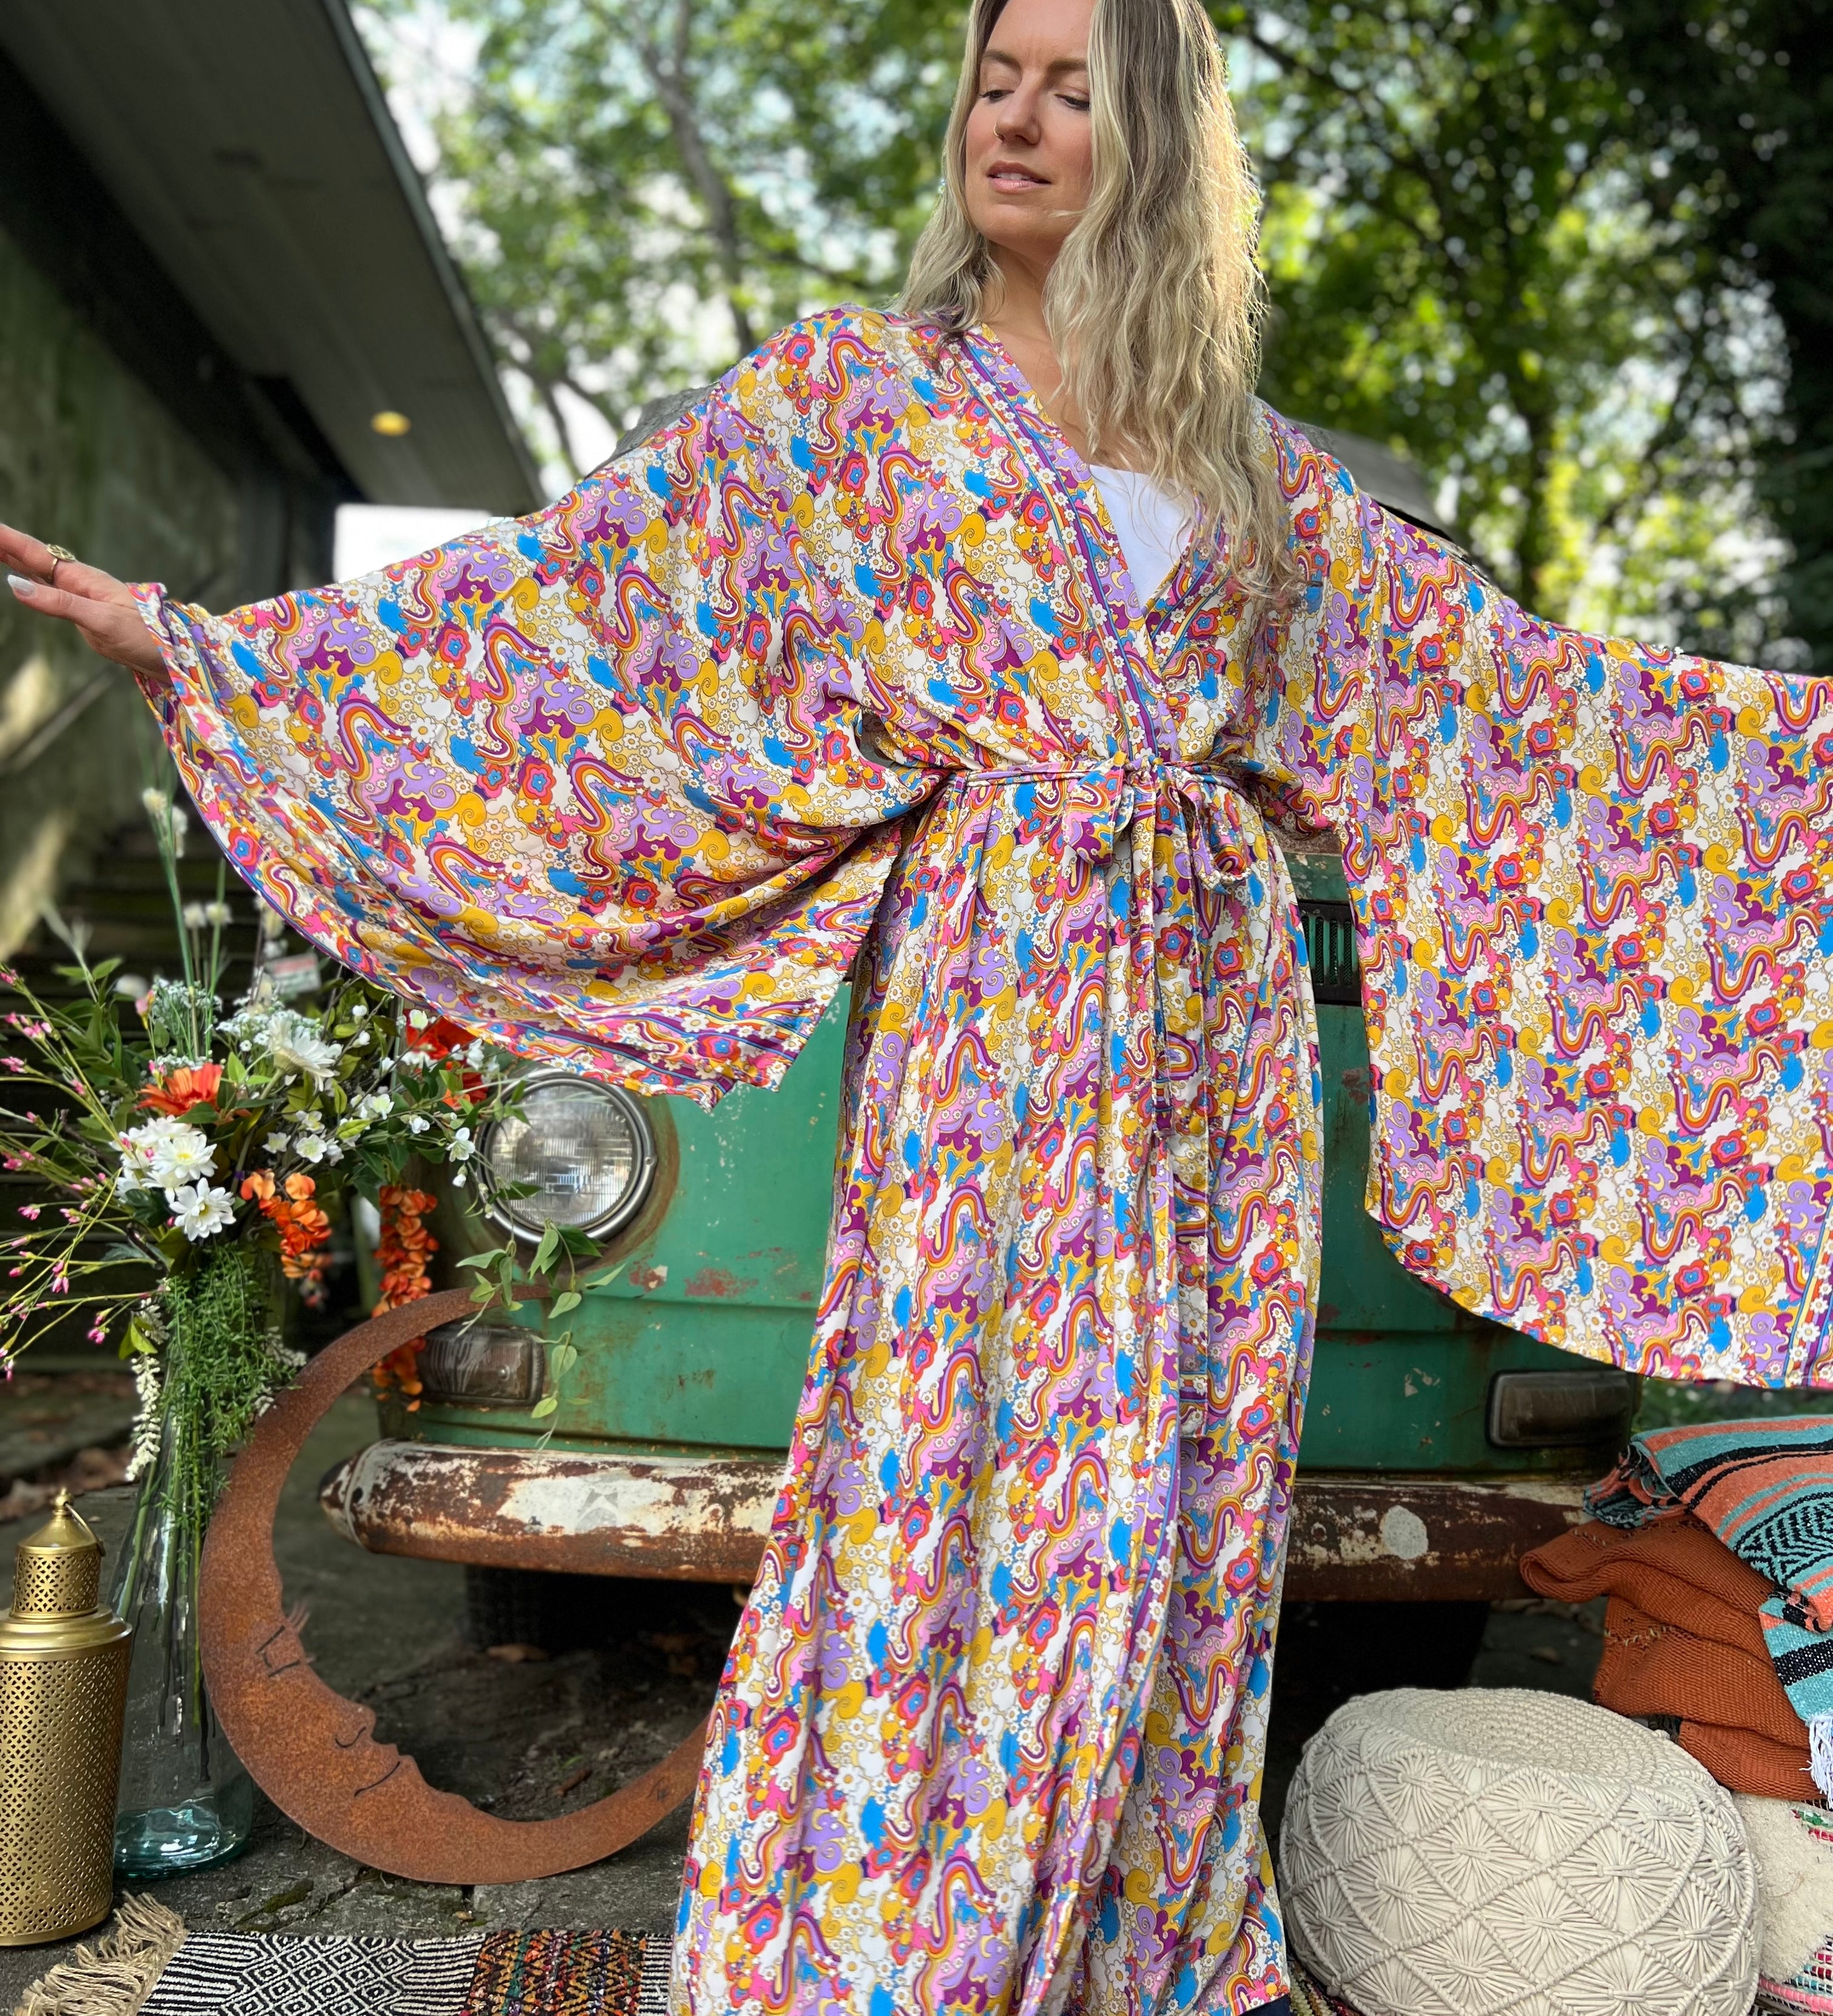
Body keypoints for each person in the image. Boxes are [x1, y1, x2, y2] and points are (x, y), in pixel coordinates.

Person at [6, 0, 1832, 2006]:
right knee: (951, 1472)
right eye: (993, 80)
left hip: (1218, 1046)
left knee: (1162, 1504)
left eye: (1069, 87)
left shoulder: (1255, 475)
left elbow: (1526, 711)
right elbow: (569, 622)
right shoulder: (853, 411)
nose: (1015, 121)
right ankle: (895, 1934)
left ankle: (1121, 1921)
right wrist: (200, 650)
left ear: (1155, 139)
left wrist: (1797, 766)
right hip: (1003, 1010)